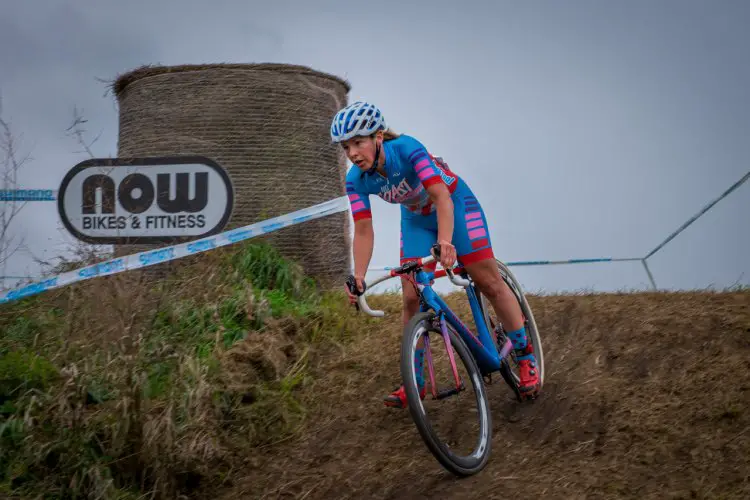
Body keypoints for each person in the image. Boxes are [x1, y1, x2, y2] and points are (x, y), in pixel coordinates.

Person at [332, 101, 540, 407]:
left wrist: (446, 242)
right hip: (416, 219)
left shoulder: (407, 148)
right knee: (411, 296)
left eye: (358, 143)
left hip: (455, 203)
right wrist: (359, 276)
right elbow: (363, 229)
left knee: (488, 281)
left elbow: (442, 196)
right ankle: (413, 381)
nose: (352, 153)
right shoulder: (356, 180)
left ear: (378, 137)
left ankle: (525, 356)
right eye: (345, 146)